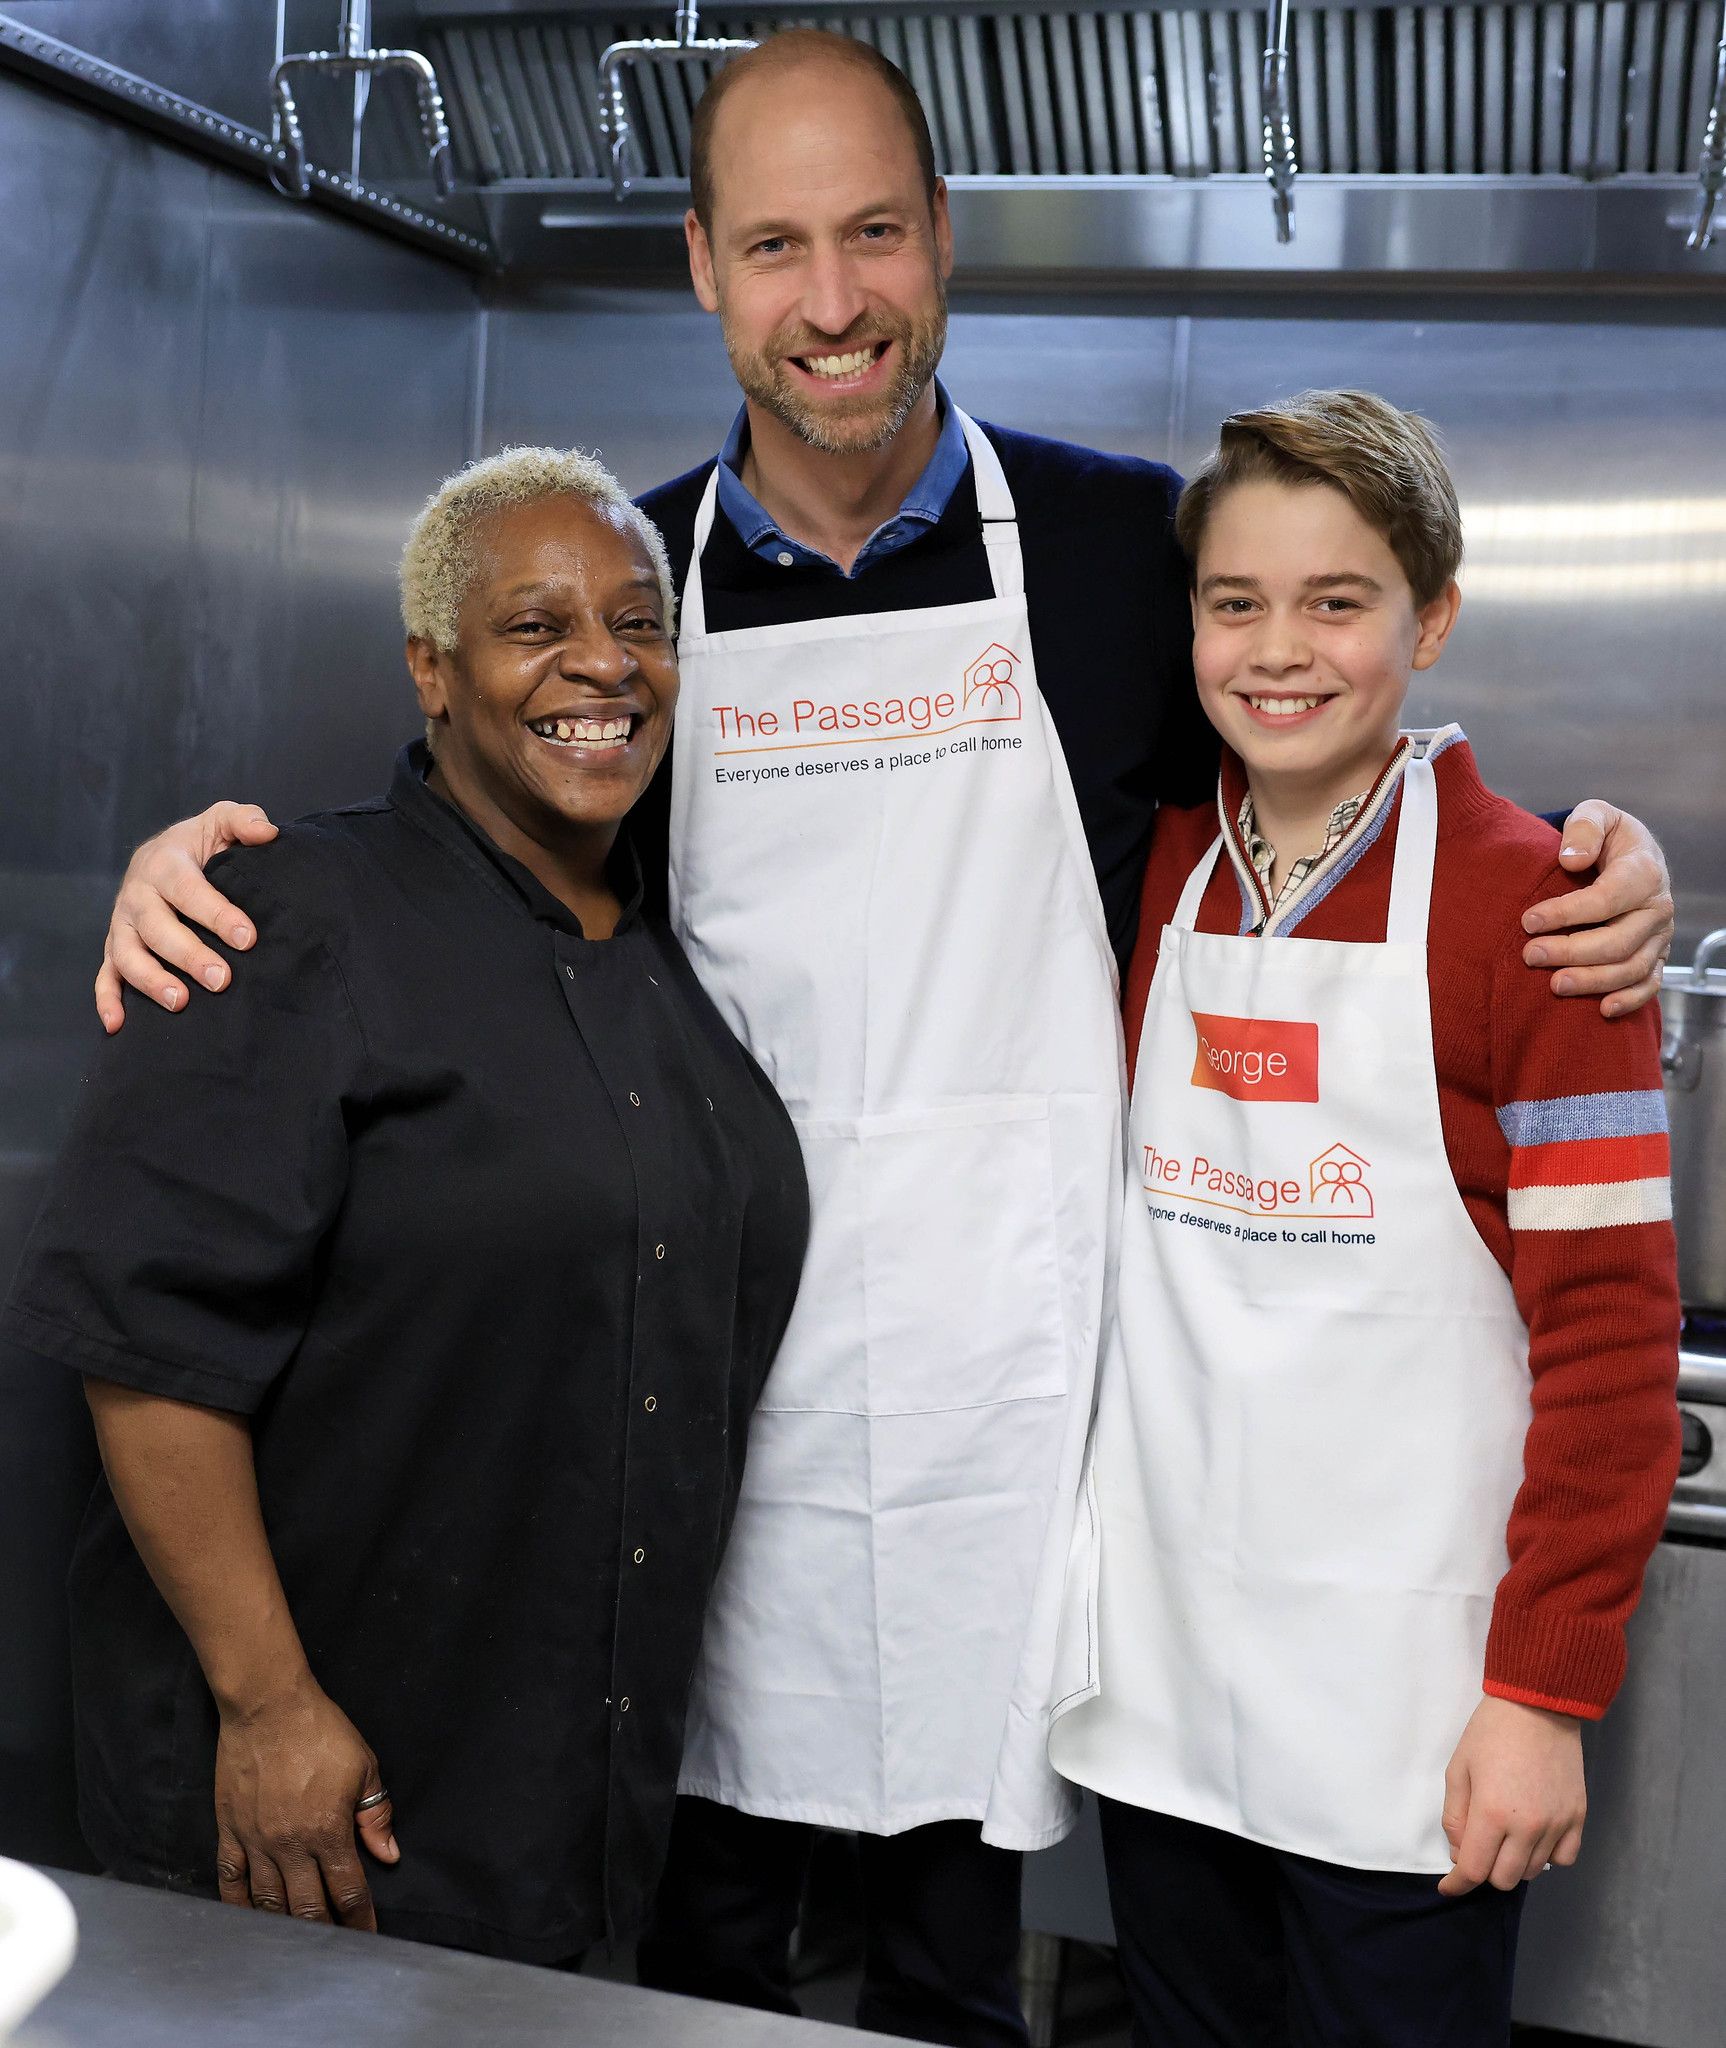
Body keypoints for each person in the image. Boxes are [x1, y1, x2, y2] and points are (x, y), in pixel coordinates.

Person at [84, 35, 1675, 2046]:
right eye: (771, 244)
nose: (825, 300)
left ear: (938, 242)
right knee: (699, 1959)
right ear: (701, 270)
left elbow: (1321, 738)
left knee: (951, 1975)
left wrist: (1580, 848)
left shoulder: (1115, 555)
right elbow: (457, 858)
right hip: (704, 1433)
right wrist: (203, 864)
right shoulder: (635, 605)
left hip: (1014, 1447)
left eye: (866, 236)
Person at [2, 448, 808, 1964]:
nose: (600, 664)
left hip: (567, 1796)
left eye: (639, 624)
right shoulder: (286, 915)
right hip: (323, 1788)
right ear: (431, 671)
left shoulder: (671, 954)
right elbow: (146, 1343)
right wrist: (267, 1705)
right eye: (534, 626)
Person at [1047, 392, 1682, 2047]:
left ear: (1433, 616)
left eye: (1338, 602)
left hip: (1409, 1718)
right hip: (1164, 1688)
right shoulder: (1154, 875)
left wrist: (1541, 1697)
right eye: (1233, 601)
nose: (1279, 650)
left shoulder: (1539, 910)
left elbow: (1611, 1336)